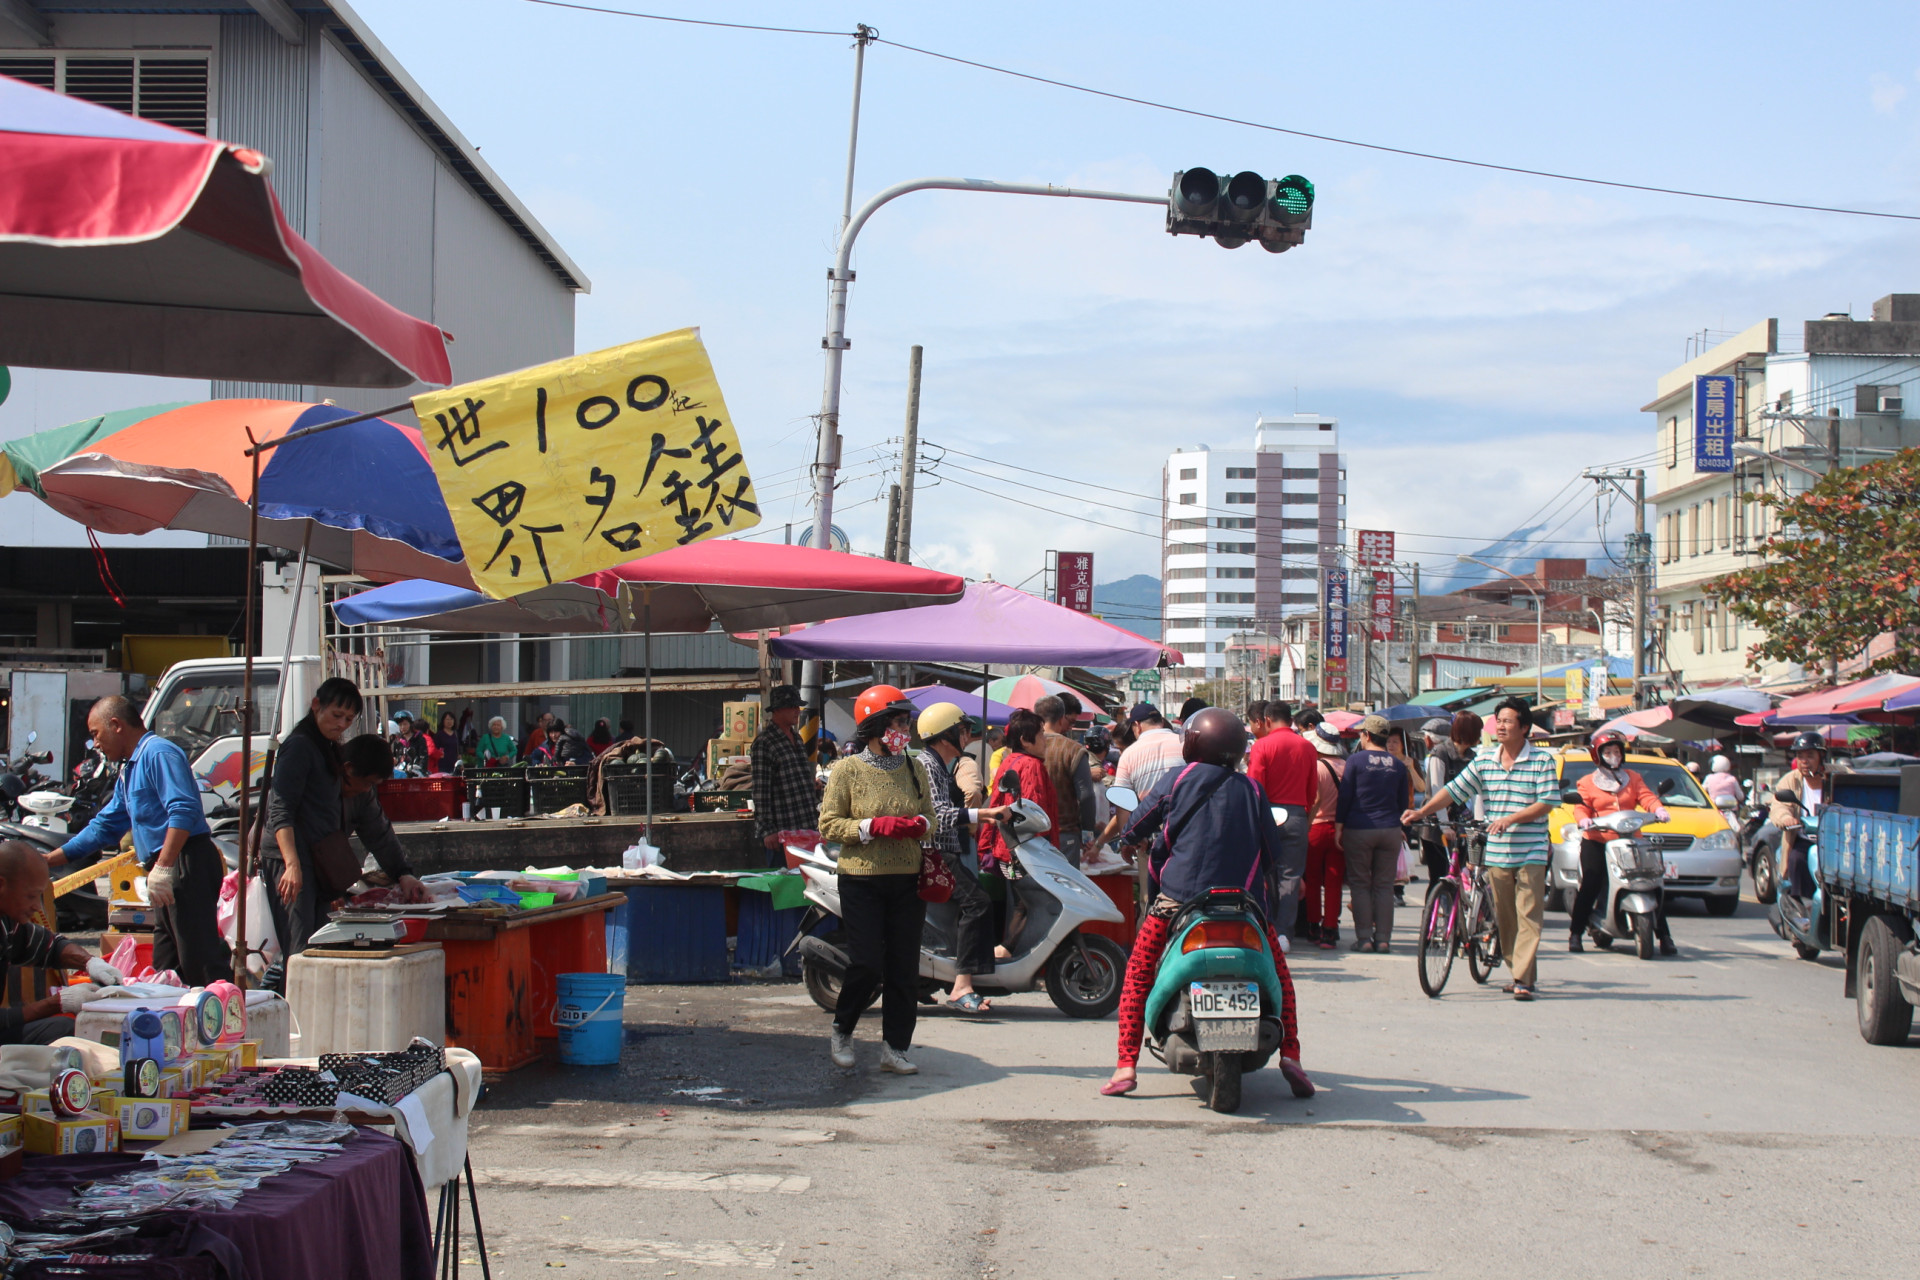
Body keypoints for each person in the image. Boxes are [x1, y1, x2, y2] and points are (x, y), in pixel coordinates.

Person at [1103, 708, 1312, 1100]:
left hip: (1179, 901)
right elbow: (1272, 851)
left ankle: (1126, 1065)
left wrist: (1129, 839)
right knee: (1280, 975)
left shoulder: (1178, 778)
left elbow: (1139, 822)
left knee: (1138, 972)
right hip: (1244, 906)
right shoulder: (1252, 789)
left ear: (1193, 741)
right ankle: (1292, 1056)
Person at [46, 696, 230, 986]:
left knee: (199, 961)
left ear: (116, 725)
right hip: (166, 868)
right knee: (166, 969)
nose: (96, 743)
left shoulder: (158, 753)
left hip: (184, 863)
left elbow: (183, 810)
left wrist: (164, 866)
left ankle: (224, 1010)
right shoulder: (129, 769)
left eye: (96, 734)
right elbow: (105, 826)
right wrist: (49, 860)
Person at [266, 680, 431, 975]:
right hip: (291, 859)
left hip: (316, 863)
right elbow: (281, 809)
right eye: (336, 715)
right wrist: (291, 864)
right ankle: (293, 1004)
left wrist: (402, 873)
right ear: (316, 706)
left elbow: (378, 832)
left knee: (317, 946)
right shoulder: (300, 746)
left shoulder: (327, 748)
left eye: (348, 719)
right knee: (300, 951)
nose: (341, 724)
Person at [1402, 697, 1560, 1001]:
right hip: (1497, 853)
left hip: (1531, 851)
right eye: (1498, 721)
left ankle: (1522, 979)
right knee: (1505, 918)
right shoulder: (1485, 761)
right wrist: (1422, 812)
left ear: (1524, 727)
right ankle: (1520, 972)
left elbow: (1547, 802)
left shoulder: (1541, 761)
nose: (1500, 726)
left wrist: (1510, 819)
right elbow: (1453, 790)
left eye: (1507, 721)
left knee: (1528, 914)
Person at [816, 685, 938, 1074]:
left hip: (908, 880)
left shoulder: (914, 767)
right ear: (876, 726)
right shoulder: (847, 770)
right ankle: (842, 1029)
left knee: (904, 967)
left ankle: (895, 1048)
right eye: (898, 722)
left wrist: (918, 825)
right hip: (861, 880)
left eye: (906, 722)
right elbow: (829, 824)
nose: (905, 730)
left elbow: (931, 817)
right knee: (867, 963)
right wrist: (871, 826)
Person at [918, 703, 1009, 1012]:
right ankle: (962, 986)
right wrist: (983, 815)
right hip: (935, 852)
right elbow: (939, 815)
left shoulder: (942, 765)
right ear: (945, 735)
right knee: (978, 903)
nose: (968, 736)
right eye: (962, 730)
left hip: (945, 850)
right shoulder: (928, 766)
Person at [0, 841, 126, 1043]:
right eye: (31, 896)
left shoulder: (7, 921)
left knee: (68, 1027)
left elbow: (49, 946)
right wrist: (57, 1003)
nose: (36, 906)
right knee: (65, 1031)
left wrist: (90, 962)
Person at [1568, 728, 1675, 955]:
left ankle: (1665, 936)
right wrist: (1584, 819)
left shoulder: (1633, 777)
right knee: (1591, 883)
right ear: (1598, 755)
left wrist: (1658, 809)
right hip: (1598, 839)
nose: (1613, 756)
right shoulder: (1587, 782)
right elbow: (1581, 806)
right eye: (1608, 752)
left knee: (1651, 882)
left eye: (1617, 752)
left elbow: (1646, 797)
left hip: (1631, 839)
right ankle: (1576, 933)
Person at [979, 710, 1059, 958]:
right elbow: (1033, 814)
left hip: (1007, 852)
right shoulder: (1031, 765)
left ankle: (1007, 952)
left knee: (1022, 905)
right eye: (1041, 734)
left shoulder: (1008, 761)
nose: (1045, 740)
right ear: (1025, 739)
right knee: (1039, 904)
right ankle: (1009, 952)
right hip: (1027, 853)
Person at [1336, 715, 1413, 953]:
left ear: (1367, 735)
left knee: (1360, 884)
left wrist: (1339, 827)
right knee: (1384, 886)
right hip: (1390, 829)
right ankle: (1383, 939)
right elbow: (1403, 802)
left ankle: (1364, 939)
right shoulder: (1397, 765)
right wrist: (1401, 829)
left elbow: (1345, 796)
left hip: (1359, 828)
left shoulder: (1355, 761)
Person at [1244, 700, 1314, 936]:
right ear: (1291, 720)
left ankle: (1268, 928)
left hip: (1268, 814)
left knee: (1267, 873)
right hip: (1297, 814)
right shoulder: (1307, 747)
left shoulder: (1262, 746)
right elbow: (1312, 789)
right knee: (1291, 876)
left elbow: (1256, 786)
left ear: (1267, 720)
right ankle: (1284, 933)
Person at [1095, 704, 1184, 852]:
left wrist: (1128, 841)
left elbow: (1123, 804)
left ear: (1137, 725)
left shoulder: (1129, 755)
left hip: (1151, 839)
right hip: (1187, 831)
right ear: (1161, 721)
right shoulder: (1184, 743)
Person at [752, 684, 820, 865]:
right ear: (777, 710)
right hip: (782, 832)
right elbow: (761, 791)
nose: (797, 711)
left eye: (798, 706)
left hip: (806, 826)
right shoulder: (765, 743)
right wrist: (767, 830)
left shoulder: (797, 738)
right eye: (792, 707)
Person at [1035, 694, 1097, 866]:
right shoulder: (1073, 749)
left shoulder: (1023, 747)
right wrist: (1088, 834)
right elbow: (1086, 795)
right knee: (1064, 882)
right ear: (1061, 718)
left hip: (1030, 833)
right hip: (1065, 834)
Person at [1770, 733, 1832, 904]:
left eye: (1810, 756)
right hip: (1805, 840)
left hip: (1835, 842)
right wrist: (1786, 818)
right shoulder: (1790, 780)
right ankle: (1803, 905)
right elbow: (1779, 807)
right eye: (1800, 756)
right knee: (1796, 860)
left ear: (1822, 756)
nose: (1804, 761)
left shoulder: (1838, 775)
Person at [1304, 722, 1346, 949]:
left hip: (1317, 828)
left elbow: (1316, 799)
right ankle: (1330, 929)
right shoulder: (1346, 766)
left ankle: (1313, 925)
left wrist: (1307, 825)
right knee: (1333, 882)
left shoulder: (1317, 767)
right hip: (1339, 829)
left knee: (1312, 880)